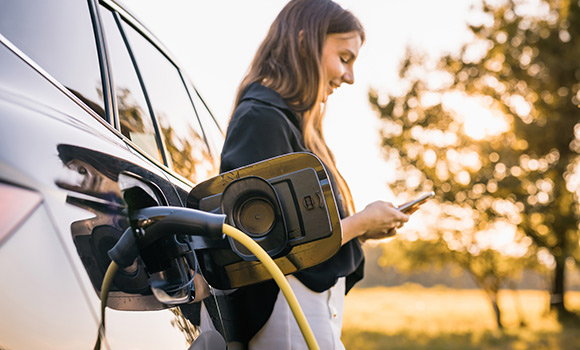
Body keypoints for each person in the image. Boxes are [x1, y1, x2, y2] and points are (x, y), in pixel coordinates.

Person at [218, 0, 410, 348]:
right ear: (305, 42)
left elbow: (302, 227)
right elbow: (264, 245)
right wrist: (361, 223)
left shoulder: (295, 126)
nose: (349, 77)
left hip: (308, 308)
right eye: (345, 58)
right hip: (287, 310)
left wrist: (363, 232)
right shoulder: (261, 119)